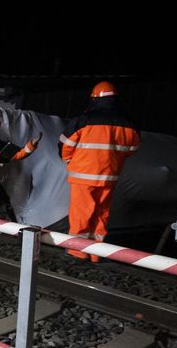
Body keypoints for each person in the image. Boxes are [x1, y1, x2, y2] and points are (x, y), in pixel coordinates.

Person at [59, 81, 140, 261]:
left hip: (83, 176)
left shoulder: (83, 121)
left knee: (82, 213)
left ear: (94, 99)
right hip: (110, 176)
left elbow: (65, 145)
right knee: (101, 214)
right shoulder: (128, 124)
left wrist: (70, 161)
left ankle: (77, 251)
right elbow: (132, 150)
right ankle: (96, 253)